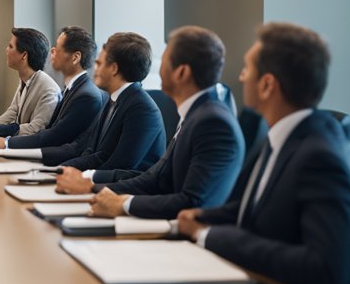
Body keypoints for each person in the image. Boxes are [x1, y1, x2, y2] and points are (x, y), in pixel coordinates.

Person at [177, 23, 350, 284]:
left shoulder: (320, 156)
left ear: (268, 85)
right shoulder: (281, 135)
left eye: (247, 69)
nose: (242, 77)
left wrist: (208, 234)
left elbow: (326, 268)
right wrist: (203, 216)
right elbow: (253, 208)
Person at [58, 26, 242, 219]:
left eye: (164, 60)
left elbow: (192, 202)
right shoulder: (196, 114)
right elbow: (154, 178)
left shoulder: (212, 123)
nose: (157, 67)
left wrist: (124, 204)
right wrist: (95, 187)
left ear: (181, 72)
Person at [48, 32, 165, 175]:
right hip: (102, 184)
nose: (94, 69)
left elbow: (120, 165)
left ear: (114, 68)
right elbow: (96, 154)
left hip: (123, 192)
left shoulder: (142, 109)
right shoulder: (113, 99)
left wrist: (80, 178)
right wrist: (58, 170)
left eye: (99, 63)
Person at [0, 26, 105, 150]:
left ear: (75, 58)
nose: (52, 51)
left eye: (58, 49)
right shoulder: (71, 89)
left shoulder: (86, 96)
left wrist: (7, 143)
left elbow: (54, 137)